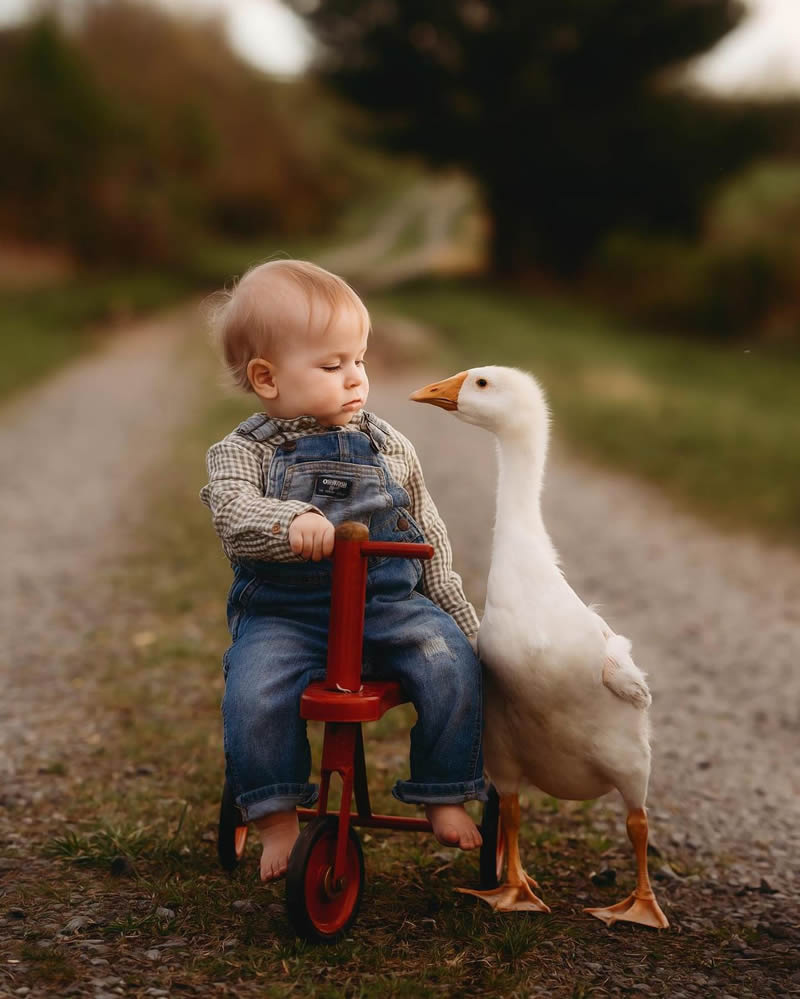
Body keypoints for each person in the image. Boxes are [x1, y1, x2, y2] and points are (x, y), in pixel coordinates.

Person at [201, 259, 485, 882]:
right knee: (254, 691)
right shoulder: (242, 453)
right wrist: (288, 521)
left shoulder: (389, 447)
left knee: (450, 662)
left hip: (387, 606)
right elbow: (232, 512)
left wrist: (461, 621)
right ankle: (277, 816)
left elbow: (427, 536)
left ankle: (444, 788)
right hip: (287, 613)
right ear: (266, 378)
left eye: (358, 359)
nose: (355, 377)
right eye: (332, 366)